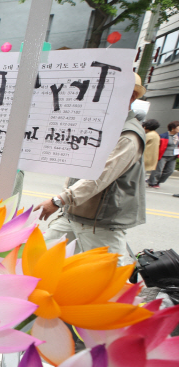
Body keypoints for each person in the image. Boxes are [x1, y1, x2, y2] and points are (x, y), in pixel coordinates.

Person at [37, 73, 147, 267]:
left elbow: (100, 176)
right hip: (73, 214)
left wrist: (60, 200)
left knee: (108, 277)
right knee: (39, 257)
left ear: (131, 97)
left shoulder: (129, 135)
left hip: (100, 223)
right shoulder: (103, 125)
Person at [148, 120, 179, 188]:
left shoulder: (178, 136)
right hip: (163, 156)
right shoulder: (163, 136)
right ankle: (152, 182)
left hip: (173, 156)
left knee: (169, 171)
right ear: (173, 128)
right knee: (158, 170)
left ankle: (158, 181)